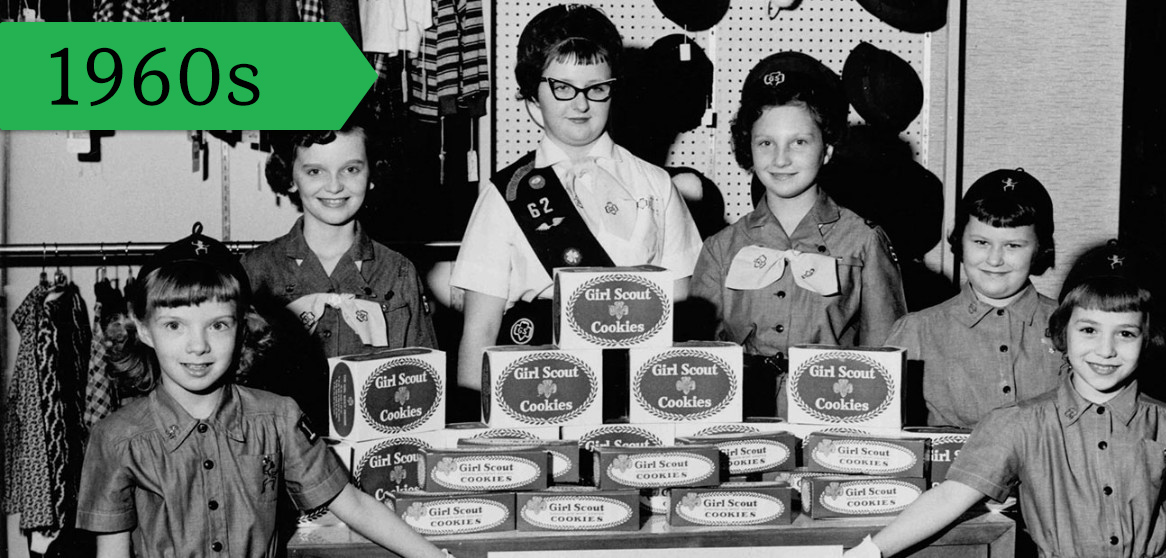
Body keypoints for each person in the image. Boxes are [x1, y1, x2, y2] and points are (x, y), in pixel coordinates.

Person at [76, 226, 448, 558]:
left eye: (218, 325)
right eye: (175, 325)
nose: (198, 346)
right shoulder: (115, 438)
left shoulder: (279, 417)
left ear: (243, 327)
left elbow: (352, 504)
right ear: (143, 329)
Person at [845, 241, 1166, 558]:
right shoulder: (1017, 424)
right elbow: (948, 498)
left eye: (1126, 334)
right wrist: (867, 553)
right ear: (1061, 331)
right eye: (1089, 329)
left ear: (1148, 339)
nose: (1106, 350)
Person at [449, 3, 702, 392]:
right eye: (562, 88)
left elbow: (679, 313)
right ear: (533, 95)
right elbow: (479, 332)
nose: (581, 104)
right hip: (537, 388)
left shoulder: (656, 185)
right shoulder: (506, 195)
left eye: (596, 88)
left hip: (633, 387)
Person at [690, 51, 907, 417]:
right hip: (741, 422)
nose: (781, 159)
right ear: (748, 148)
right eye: (766, 143)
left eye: (799, 142)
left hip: (834, 417)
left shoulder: (863, 242)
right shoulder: (720, 249)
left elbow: (886, 358)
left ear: (827, 149)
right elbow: (698, 362)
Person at [242, 123, 438, 427]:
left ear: (372, 175)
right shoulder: (256, 270)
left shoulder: (398, 271)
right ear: (290, 177)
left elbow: (424, 387)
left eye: (350, 169)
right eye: (315, 171)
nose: (334, 186)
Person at [885, 168, 1060, 427]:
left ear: (1039, 249)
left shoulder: (1072, 324)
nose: (994, 259)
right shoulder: (917, 331)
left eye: (1013, 245)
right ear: (960, 241)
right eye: (981, 242)